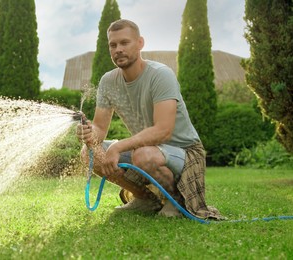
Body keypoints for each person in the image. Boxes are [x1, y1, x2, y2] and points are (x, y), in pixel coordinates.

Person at [76, 19, 222, 219]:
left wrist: (118, 147)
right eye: (113, 45)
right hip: (144, 150)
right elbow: (100, 129)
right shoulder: (108, 81)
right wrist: (89, 134)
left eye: (124, 43)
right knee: (89, 153)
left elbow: (163, 131)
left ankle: (176, 200)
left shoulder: (160, 75)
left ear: (140, 43)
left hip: (185, 152)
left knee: (144, 155)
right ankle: (144, 199)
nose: (118, 49)